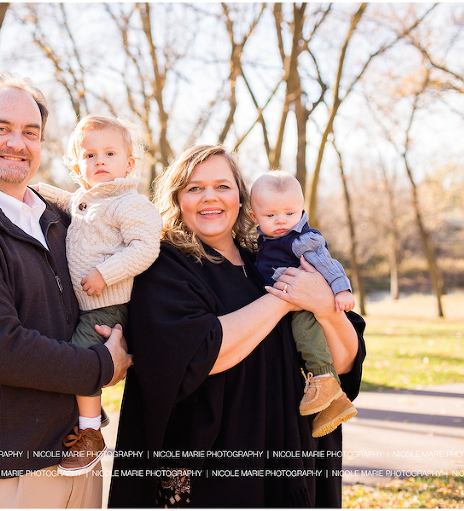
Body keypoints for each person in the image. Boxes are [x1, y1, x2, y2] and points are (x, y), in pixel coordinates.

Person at [0, 73, 132, 509]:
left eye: (30, 133)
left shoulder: (60, 220)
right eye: (2, 128)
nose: (17, 143)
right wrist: (101, 365)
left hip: (76, 462)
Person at [108, 145, 365, 508]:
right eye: (194, 188)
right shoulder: (164, 266)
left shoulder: (270, 260)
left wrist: (326, 308)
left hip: (296, 463)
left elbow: (345, 364)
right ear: (178, 198)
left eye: (222, 186)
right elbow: (202, 353)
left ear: (242, 199)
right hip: (218, 476)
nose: (209, 197)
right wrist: (286, 296)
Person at [35, 114, 162, 476]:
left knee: (81, 360)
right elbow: (71, 203)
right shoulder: (88, 200)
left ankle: (91, 435)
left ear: (129, 164)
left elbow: (145, 249)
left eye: (109, 153)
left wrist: (104, 274)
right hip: (90, 305)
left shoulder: (129, 203)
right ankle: (87, 415)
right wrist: (38, 190)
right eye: (89, 156)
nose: (100, 160)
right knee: (73, 356)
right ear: (79, 168)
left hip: (109, 305)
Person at [249, 170, 357, 438]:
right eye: (270, 215)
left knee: (305, 334)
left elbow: (327, 264)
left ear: (302, 209)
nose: (281, 220)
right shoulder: (264, 241)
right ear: (253, 216)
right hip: (290, 300)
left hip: (306, 303)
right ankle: (335, 403)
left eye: (290, 213)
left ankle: (324, 380)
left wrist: (341, 289)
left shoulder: (301, 239)